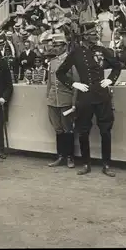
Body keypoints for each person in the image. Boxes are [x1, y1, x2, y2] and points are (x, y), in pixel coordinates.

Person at [56, 22, 122, 177]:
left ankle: (106, 164)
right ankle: (86, 163)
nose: (95, 36)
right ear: (85, 36)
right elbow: (60, 73)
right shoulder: (75, 53)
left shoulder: (102, 50)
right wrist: (74, 84)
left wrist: (111, 80)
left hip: (102, 95)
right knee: (83, 131)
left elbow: (117, 65)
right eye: (92, 34)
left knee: (105, 131)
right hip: (84, 96)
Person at [46, 33, 77, 168]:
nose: (55, 48)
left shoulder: (71, 61)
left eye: (58, 46)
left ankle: (70, 157)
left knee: (68, 129)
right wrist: (48, 97)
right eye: (54, 46)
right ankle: (60, 156)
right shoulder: (52, 62)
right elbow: (49, 82)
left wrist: (74, 101)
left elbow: (75, 81)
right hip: (54, 100)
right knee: (58, 129)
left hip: (66, 99)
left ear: (64, 46)